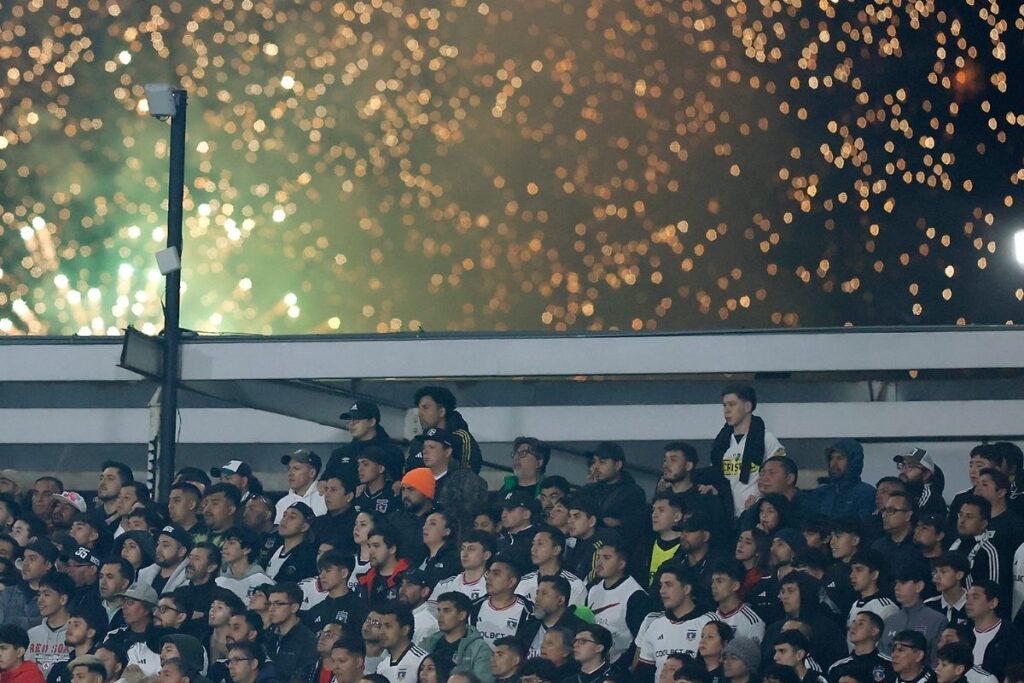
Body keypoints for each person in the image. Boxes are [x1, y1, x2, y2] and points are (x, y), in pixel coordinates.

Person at [710, 385, 786, 517]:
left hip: (755, 513)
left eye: (732, 404)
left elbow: (782, 476)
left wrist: (761, 500)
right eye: (724, 405)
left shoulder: (766, 439)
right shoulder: (721, 442)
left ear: (747, 407)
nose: (727, 410)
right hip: (725, 513)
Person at [634, 566, 711, 683]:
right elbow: (643, 671)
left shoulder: (708, 622)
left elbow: (715, 668)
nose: (662, 591)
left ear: (686, 589)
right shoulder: (653, 623)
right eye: (661, 585)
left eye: (668, 585)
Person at [585, 539, 651, 666]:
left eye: (606, 558)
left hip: (620, 669)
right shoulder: (593, 590)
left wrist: (622, 668)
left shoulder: (635, 594)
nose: (599, 562)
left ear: (621, 564)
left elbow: (640, 639)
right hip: (594, 666)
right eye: (598, 557)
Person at [417, 428, 488, 531]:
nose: (425, 452)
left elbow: (469, 515)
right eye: (424, 448)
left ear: (447, 452)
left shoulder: (465, 480)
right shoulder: (417, 481)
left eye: (431, 447)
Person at [579, 442, 648, 543]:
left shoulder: (634, 493)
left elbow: (632, 530)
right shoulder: (588, 489)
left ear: (617, 465)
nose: (596, 466)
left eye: (602, 462)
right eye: (594, 461)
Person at [879, 563, 946, 665]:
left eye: (903, 582)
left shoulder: (937, 620)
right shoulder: (889, 621)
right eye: (896, 583)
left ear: (919, 586)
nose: (896, 588)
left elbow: (936, 662)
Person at [407, 387, 482, 474]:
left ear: (441, 411)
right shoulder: (417, 441)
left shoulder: (461, 439)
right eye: (419, 408)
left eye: (425, 408)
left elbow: (469, 476)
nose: (420, 414)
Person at [328, 401, 405, 485]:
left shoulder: (392, 452)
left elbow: (397, 482)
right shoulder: (340, 453)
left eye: (357, 420)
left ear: (372, 422)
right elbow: (326, 479)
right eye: (349, 420)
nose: (351, 424)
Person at [421, 592, 491, 683]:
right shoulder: (428, 642)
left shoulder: (479, 648)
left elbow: (483, 680)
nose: (440, 616)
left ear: (462, 615)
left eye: (446, 610)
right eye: (439, 610)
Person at [471, 558, 534, 650]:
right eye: (489, 572)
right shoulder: (472, 607)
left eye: (496, 574)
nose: (489, 577)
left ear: (511, 582)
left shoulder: (528, 612)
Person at [516, 526, 587, 607]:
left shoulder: (575, 585)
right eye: (533, 544)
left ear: (556, 550)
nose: (533, 549)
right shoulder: (523, 582)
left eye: (540, 544)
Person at [963, 581, 1022, 680]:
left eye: (975, 597)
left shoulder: (1011, 637)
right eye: (967, 597)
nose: (968, 603)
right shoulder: (963, 634)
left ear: (993, 603)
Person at [103, 583, 162, 675]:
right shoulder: (114, 636)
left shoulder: (160, 639)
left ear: (147, 608)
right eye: (123, 601)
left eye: (130, 602)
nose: (124, 607)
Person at [301, 551, 367, 633]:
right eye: (321, 571)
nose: (321, 576)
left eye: (327, 571)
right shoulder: (315, 610)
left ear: (344, 573)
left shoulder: (361, 608)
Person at [521, 576, 585, 659]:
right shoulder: (529, 626)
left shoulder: (578, 631)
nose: (537, 598)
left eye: (544, 594)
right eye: (537, 593)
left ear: (560, 600)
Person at [812, 441, 877, 520]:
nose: (834, 463)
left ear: (853, 462)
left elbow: (865, 527)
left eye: (840, 458)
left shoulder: (866, 494)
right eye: (831, 458)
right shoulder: (821, 493)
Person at [704, 561, 765, 645]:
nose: (713, 586)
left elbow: (752, 657)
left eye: (719, 581)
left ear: (735, 586)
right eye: (712, 581)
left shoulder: (752, 622)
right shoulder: (707, 619)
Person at [266, 583, 317, 683]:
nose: (271, 609)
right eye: (270, 604)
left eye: (278, 604)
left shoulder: (308, 641)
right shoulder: (266, 636)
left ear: (294, 608)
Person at [0, 538, 57, 629]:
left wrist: (14, 621)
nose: (25, 563)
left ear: (48, 565)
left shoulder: (57, 596)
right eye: (24, 558)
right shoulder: (8, 592)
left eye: (32, 559)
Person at [26, 571, 74, 677]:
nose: (40, 600)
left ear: (63, 599)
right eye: (39, 595)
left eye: (46, 594)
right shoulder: (31, 634)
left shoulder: (76, 634)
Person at [948, 497, 1001, 588]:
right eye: (960, 515)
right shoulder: (954, 545)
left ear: (983, 524)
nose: (962, 521)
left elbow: (991, 593)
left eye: (969, 517)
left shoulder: (988, 551)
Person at [635, 493, 685, 589]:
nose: (654, 515)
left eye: (661, 510)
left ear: (677, 517)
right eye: (653, 510)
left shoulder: (686, 549)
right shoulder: (645, 545)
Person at [828, 612, 894, 683]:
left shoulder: (891, 666)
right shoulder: (837, 668)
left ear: (874, 631)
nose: (853, 627)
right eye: (853, 622)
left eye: (861, 624)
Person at [430, 531, 493, 605]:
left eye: (471, 549)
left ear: (486, 555)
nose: (464, 554)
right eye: (463, 549)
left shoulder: (494, 584)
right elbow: (430, 613)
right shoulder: (445, 585)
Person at [47, 608, 108, 683]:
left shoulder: (100, 664)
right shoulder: (60, 666)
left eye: (76, 625)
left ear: (90, 632)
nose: (69, 628)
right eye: (69, 623)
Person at [871, 492, 924, 578]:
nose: (884, 515)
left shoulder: (921, 544)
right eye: (884, 510)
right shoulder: (878, 546)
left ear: (908, 515)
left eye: (891, 511)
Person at [847, 550, 900, 632]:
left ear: (874, 574)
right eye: (852, 570)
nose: (852, 575)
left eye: (859, 570)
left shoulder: (887, 608)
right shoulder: (855, 604)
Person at [358, 526, 410, 608]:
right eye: (369, 546)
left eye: (376, 546)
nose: (370, 551)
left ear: (392, 549)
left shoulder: (410, 578)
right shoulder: (365, 579)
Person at [375, 604, 429, 683]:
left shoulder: (421, 661)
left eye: (388, 626)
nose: (381, 632)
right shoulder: (381, 666)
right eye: (380, 626)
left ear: (405, 630)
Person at [216, 528, 273, 602]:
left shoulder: (262, 582)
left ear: (247, 549)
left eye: (231, 543)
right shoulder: (218, 582)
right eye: (224, 542)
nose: (224, 547)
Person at [266, 504, 318, 583]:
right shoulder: (272, 550)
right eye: (284, 515)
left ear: (304, 527)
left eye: (292, 517)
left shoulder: (308, 558)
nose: (284, 520)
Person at [563, 497, 610, 585]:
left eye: (576, 517)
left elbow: (588, 581)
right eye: (569, 516)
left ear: (592, 521)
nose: (569, 521)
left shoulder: (602, 546)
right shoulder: (576, 541)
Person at [495, 492, 541, 576]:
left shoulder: (537, 539)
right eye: (503, 510)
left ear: (526, 514)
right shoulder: (498, 539)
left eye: (509, 510)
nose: (503, 515)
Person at [312, 472, 358, 554]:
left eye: (333, 490)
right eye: (326, 489)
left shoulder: (358, 524)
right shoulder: (316, 522)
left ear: (349, 496)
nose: (327, 494)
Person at [138, 525, 191, 595]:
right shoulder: (144, 574)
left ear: (181, 551)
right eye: (158, 544)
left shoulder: (189, 579)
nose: (158, 549)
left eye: (165, 545)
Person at [275, 451, 327, 525]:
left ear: (312, 473)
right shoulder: (282, 503)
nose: (290, 473)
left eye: (296, 468)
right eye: (289, 468)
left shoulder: (325, 498)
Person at [894, 450, 947, 519]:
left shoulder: (930, 498)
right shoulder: (903, 491)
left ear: (926, 474)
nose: (903, 470)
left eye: (910, 466)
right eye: (903, 465)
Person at [924, 554, 970, 628]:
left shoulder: (974, 605)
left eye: (943, 572)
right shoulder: (928, 606)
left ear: (959, 575)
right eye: (935, 572)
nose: (936, 577)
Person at [417, 511, 460, 588]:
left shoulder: (454, 560)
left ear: (446, 531)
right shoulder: (419, 556)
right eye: (425, 524)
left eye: (432, 524)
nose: (424, 527)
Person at [353, 449, 399, 518]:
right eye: (358, 465)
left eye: (365, 464)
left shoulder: (393, 493)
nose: (359, 469)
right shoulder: (359, 494)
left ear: (381, 468)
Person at [397, 571, 438, 647]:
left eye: (409, 585)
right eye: (401, 584)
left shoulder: (428, 624)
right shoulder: (396, 616)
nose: (402, 590)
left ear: (424, 591)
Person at [201, 484, 241, 549]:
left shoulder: (241, 541)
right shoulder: (194, 536)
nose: (207, 509)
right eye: (206, 503)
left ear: (230, 510)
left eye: (215, 503)